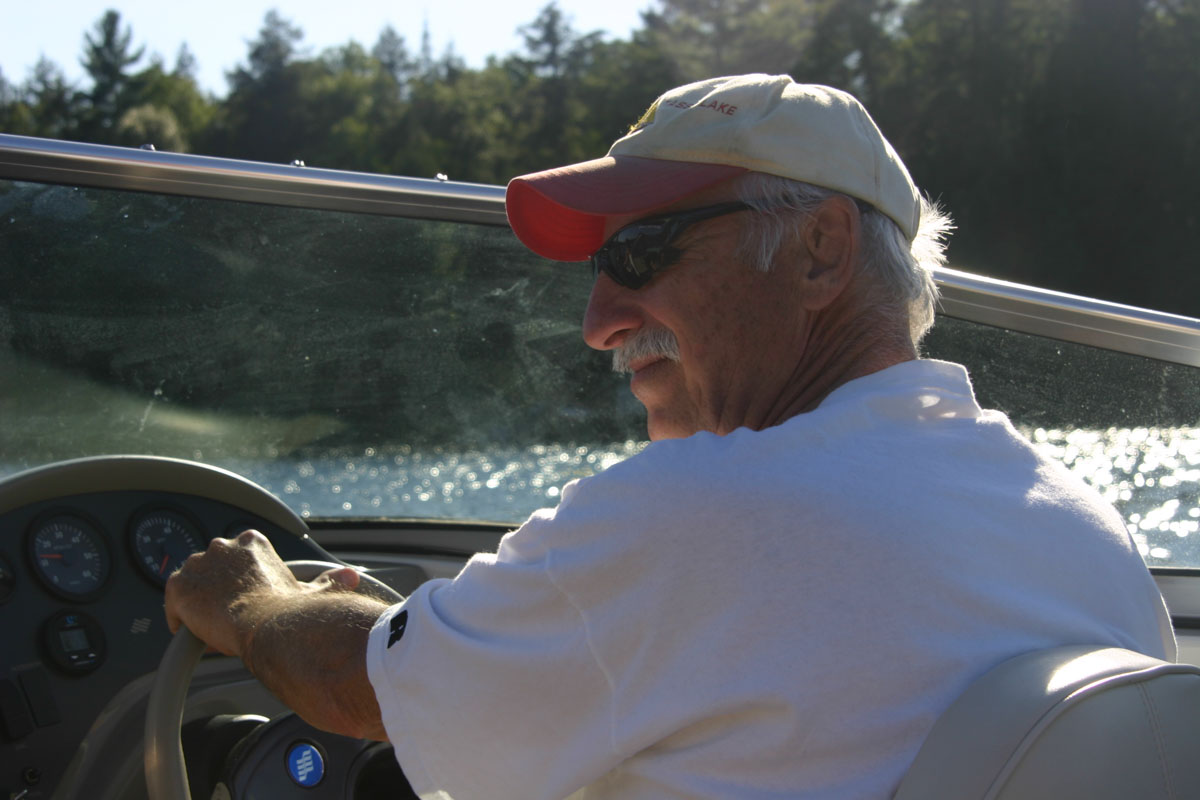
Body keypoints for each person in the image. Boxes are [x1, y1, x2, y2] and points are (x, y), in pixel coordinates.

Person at [166, 74, 1176, 799]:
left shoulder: (705, 511)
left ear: (820, 251)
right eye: (599, 267)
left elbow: (355, 686)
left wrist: (253, 599)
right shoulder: (1090, 530)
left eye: (642, 253)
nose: (598, 320)